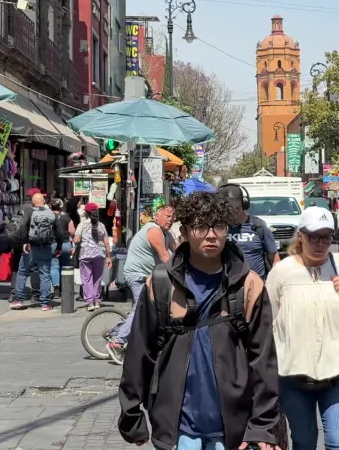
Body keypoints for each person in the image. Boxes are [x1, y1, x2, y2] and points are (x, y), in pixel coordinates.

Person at [117, 192, 281, 450]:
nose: (211, 235)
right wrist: (131, 413)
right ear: (184, 231)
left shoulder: (249, 285)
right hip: (176, 422)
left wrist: (262, 425)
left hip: (232, 425)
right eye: (201, 226)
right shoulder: (161, 283)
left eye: (219, 226)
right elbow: (140, 350)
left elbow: (263, 359)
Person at [267, 207, 339, 450]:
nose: (320, 243)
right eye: (314, 236)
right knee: (304, 441)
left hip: (338, 373)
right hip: (293, 376)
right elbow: (268, 320)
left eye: (326, 237)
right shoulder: (282, 271)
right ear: (300, 235)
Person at [106, 205, 175, 363]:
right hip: (138, 276)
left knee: (152, 307)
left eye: (172, 217)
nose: (170, 220)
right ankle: (118, 342)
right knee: (141, 308)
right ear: (157, 217)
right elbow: (165, 257)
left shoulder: (167, 234)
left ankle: (117, 332)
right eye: (167, 216)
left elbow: (177, 253)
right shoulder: (154, 230)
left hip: (150, 276)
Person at [10, 192, 63, 311]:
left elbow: (23, 226)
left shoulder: (29, 211)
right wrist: (59, 247)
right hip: (46, 247)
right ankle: (45, 304)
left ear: (33, 202)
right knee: (45, 275)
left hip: (30, 248)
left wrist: (24, 242)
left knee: (23, 272)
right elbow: (59, 233)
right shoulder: (51, 214)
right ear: (44, 201)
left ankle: (18, 300)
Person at [221, 184, 280, 278]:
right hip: (228, 287)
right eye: (229, 210)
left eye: (236, 209)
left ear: (244, 204)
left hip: (257, 286)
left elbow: (274, 260)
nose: (233, 213)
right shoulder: (218, 228)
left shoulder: (259, 226)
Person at [75, 202, 112, 311]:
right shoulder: (101, 226)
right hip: (99, 254)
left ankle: (90, 302)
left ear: (85, 213)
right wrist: (108, 257)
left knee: (87, 279)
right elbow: (106, 243)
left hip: (85, 254)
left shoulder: (82, 225)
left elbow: (76, 240)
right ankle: (97, 301)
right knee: (97, 278)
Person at [50, 198, 75, 299]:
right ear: (61, 207)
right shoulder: (67, 218)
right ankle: (64, 289)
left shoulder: (48, 217)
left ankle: (56, 291)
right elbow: (72, 232)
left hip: (52, 244)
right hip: (65, 244)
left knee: (54, 266)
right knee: (65, 267)